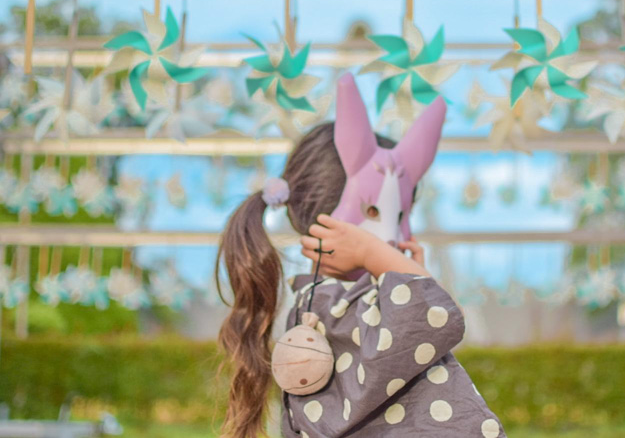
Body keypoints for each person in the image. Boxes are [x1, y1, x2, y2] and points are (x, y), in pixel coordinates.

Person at [216, 74, 505, 438]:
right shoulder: (336, 306)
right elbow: (440, 317)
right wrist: (383, 260)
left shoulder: (325, 304)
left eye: (401, 216)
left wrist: (402, 273)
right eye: (374, 213)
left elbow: (427, 321)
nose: (394, 233)